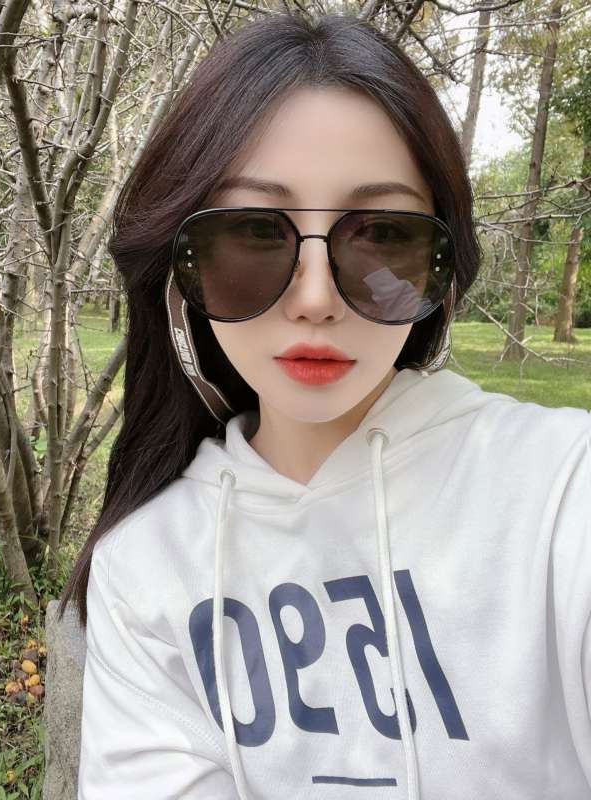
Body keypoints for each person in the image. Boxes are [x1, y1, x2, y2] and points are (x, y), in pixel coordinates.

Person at [57, 12, 591, 800]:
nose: (314, 299)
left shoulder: (563, 489)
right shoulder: (148, 565)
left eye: (380, 231)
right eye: (253, 230)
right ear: (181, 265)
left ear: (439, 264)